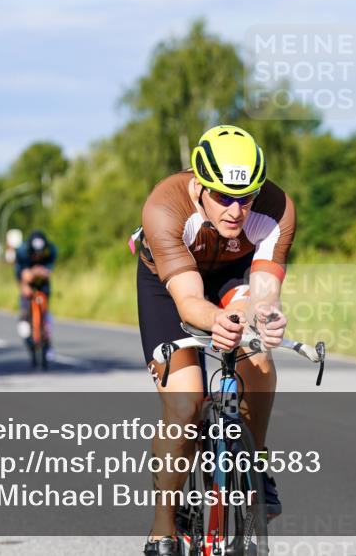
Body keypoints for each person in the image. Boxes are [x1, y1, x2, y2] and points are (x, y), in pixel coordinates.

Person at [133, 125, 293, 555]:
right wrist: (216, 320)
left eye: (246, 198)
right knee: (186, 404)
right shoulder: (165, 207)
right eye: (223, 196)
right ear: (199, 186)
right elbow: (188, 301)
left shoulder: (277, 209)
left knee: (257, 359)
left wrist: (267, 315)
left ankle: (253, 461)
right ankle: (163, 524)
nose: (236, 210)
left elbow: (263, 290)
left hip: (231, 275)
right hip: (170, 285)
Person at [14, 230, 57, 353]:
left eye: (40, 254)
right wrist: (24, 286)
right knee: (25, 305)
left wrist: (42, 272)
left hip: (42, 283)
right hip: (26, 281)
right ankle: (25, 325)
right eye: (35, 254)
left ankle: (46, 335)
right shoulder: (22, 252)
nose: (37, 256)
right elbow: (20, 274)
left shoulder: (50, 250)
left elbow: (48, 270)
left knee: (45, 307)